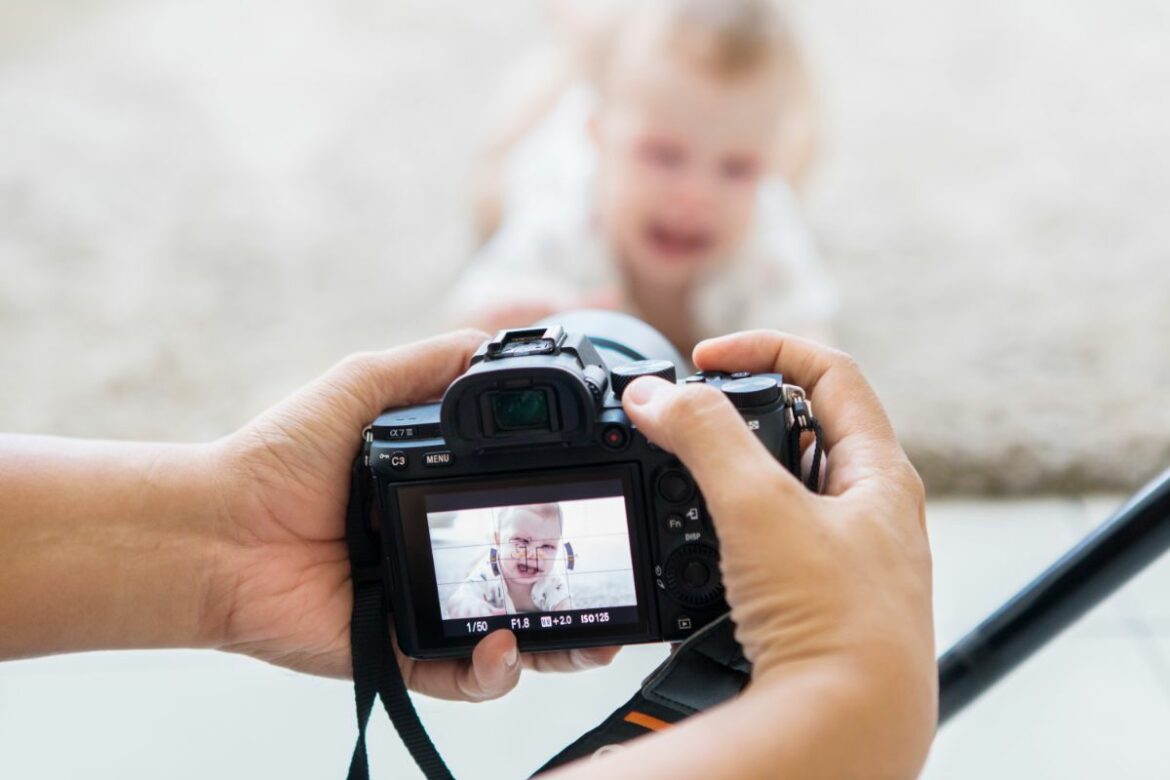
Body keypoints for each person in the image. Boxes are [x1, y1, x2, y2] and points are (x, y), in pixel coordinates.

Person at [0, 329, 936, 777]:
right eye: (515, 539)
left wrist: (223, 545)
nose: (528, 561)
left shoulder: (577, 578)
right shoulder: (480, 576)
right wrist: (849, 694)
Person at [450, 0, 838, 354]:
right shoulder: (562, 223)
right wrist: (513, 318)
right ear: (598, 139)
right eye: (664, 156)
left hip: (753, 147)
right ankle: (575, 39)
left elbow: (812, 352)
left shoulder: (763, 231)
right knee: (490, 194)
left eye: (737, 167)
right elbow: (464, 325)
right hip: (548, 139)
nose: (696, 195)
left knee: (803, 142)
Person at [444, 503, 574, 619]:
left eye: (547, 546)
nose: (534, 555)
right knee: (476, 562)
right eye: (522, 541)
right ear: (499, 540)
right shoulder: (489, 574)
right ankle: (487, 548)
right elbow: (457, 600)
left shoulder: (551, 581)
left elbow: (566, 608)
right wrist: (474, 607)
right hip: (491, 559)